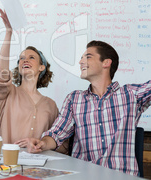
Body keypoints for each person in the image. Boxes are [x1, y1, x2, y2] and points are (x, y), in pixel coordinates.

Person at [27, 40, 151, 176]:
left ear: (106, 63)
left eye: (88, 57)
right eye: (81, 58)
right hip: (85, 175)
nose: (80, 62)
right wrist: (43, 143)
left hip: (121, 176)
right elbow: (57, 133)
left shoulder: (131, 95)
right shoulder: (74, 99)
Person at [0, 7, 67, 153]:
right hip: (9, 162)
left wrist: (41, 144)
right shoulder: (9, 93)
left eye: (31, 57)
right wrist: (9, 32)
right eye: (21, 58)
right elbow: (2, 71)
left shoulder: (50, 105)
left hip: (39, 166)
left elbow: (59, 142)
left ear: (42, 67)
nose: (25, 60)